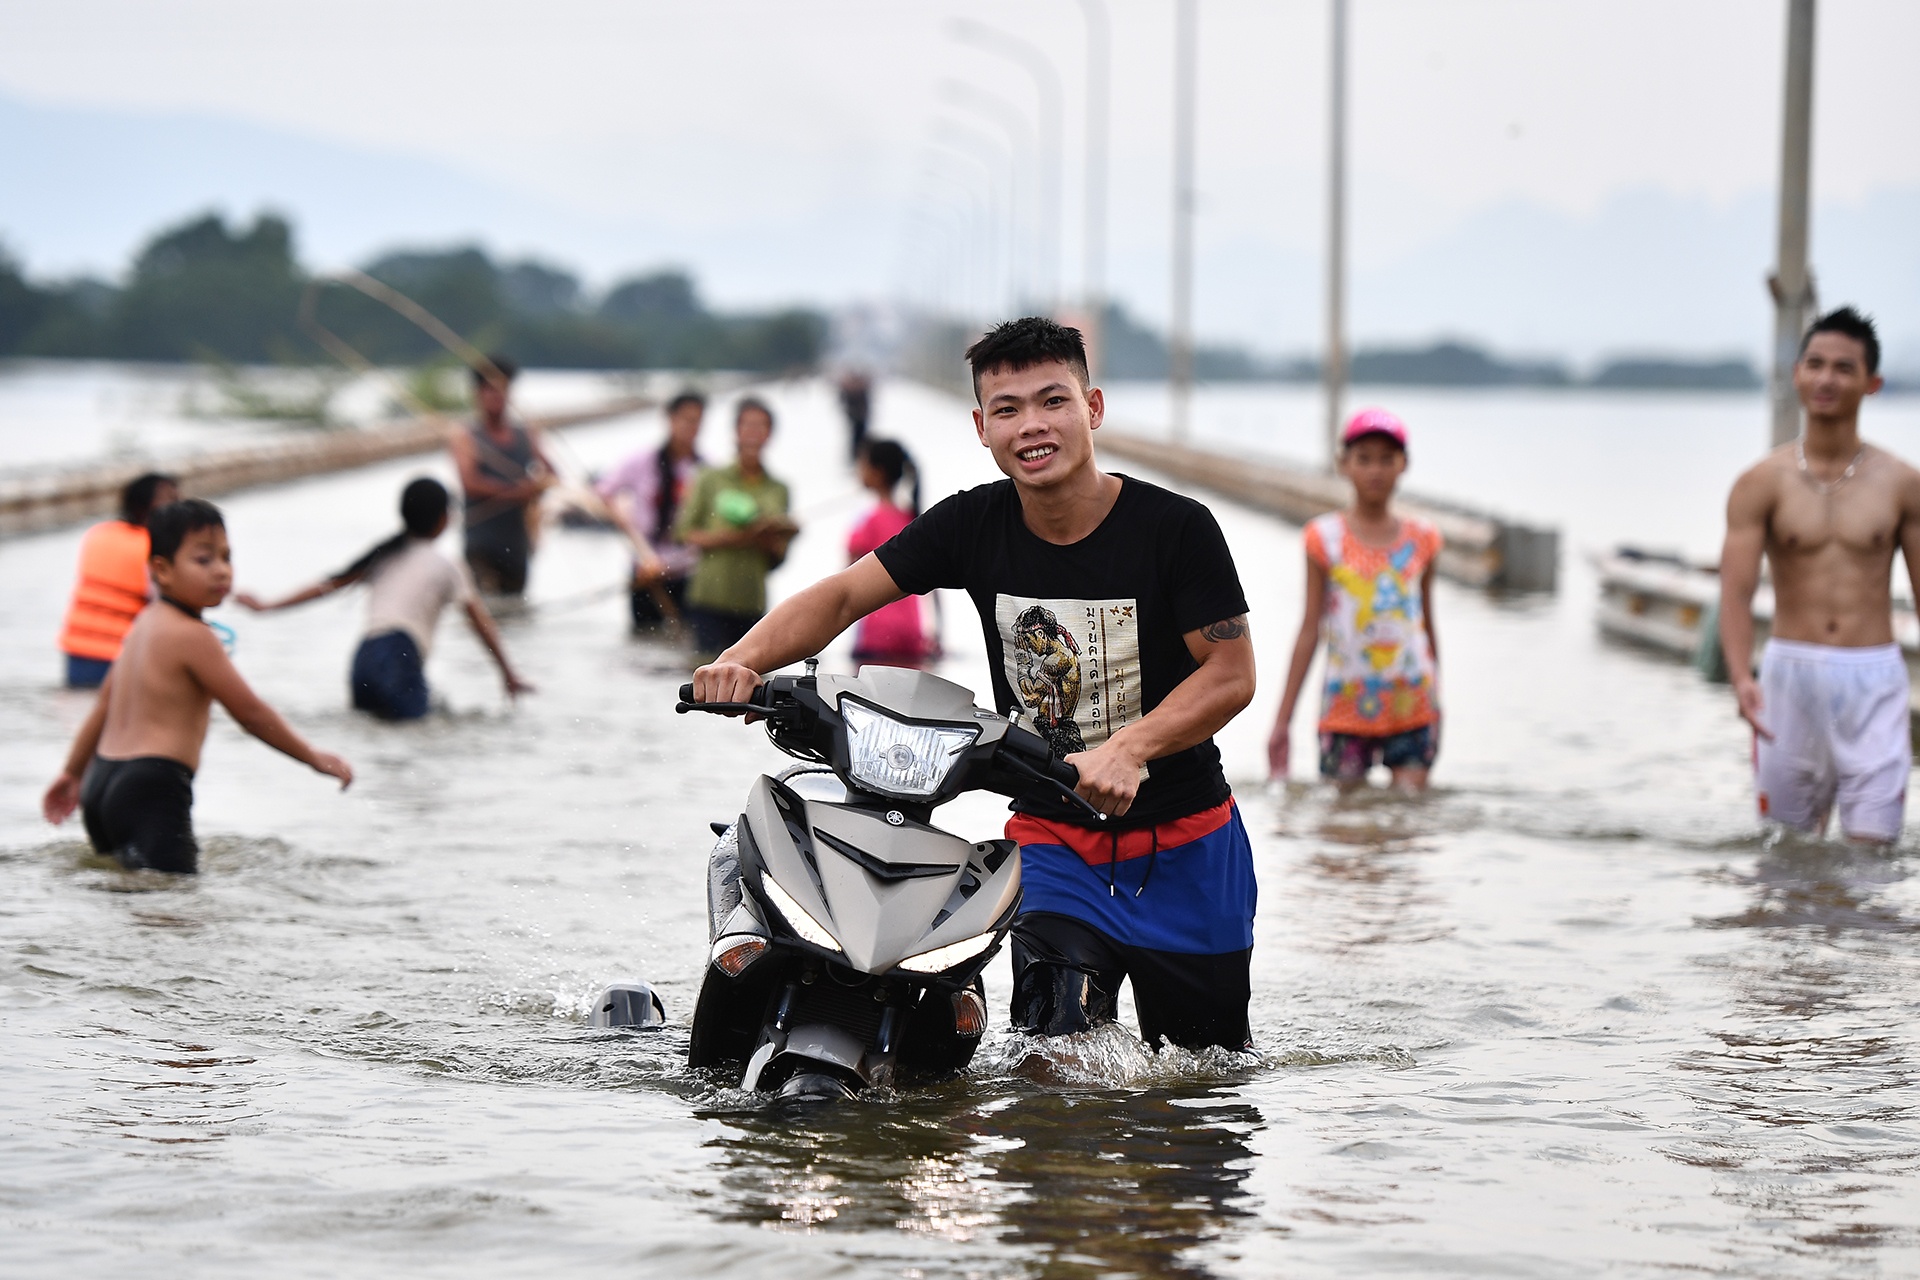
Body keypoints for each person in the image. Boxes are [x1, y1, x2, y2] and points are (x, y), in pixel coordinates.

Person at [691, 317, 1259, 1052]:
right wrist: (742, 661)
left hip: (1188, 846)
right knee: (1054, 1062)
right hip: (1056, 840)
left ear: (1092, 408)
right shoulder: (972, 524)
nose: (1033, 426)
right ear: (981, 427)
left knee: (1202, 1084)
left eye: (1052, 401)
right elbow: (838, 599)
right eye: (1008, 409)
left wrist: (1131, 748)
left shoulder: (1177, 529)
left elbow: (1231, 674)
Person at [40, 499, 353, 874]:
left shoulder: (143, 624)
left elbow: (104, 707)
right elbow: (250, 713)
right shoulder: (194, 636)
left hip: (101, 783)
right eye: (204, 560)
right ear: (162, 569)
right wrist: (312, 757)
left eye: (226, 557)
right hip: (152, 785)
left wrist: (73, 773)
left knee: (132, 904)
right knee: (179, 917)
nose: (221, 571)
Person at [1720, 307, 1914, 845]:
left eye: (1844, 368)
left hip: (1873, 675)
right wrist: (1741, 677)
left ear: (1871, 383)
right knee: (1786, 853)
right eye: (1816, 364)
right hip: (1788, 675)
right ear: (1796, 374)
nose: (1827, 379)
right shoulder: (1760, 483)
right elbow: (1734, 594)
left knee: (1872, 856)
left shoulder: (1902, 483)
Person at [235, 478, 533, 720]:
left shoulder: (384, 555)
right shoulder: (449, 565)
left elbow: (327, 586)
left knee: (375, 735)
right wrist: (508, 673)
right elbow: (479, 621)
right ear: (444, 518)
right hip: (398, 655)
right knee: (415, 739)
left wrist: (267, 607)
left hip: (363, 659)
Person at [1268, 409, 1443, 790]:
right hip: (1345, 706)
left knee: (1407, 822)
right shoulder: (1324, 538)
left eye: (1386, 459)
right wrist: (1283, 721)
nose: (1375, 470)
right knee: (1343, 827)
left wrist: (1438, 698)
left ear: (1404, 465)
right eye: (1364, 459)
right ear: (1344, 464)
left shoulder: (1423, 538)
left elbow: (1427, 625)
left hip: (1412, 702)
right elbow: (1310, 627)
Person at [676, 398, 798, 656]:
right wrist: (733, 537)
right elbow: (684, 533)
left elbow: (777, 559)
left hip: (752, 602)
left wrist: (777, 535)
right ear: (736, 431)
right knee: (702, 677)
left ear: (769, 435)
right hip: (709, 598)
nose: (753, 433)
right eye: (748, 426)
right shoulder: (710, 478)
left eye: (761, 427)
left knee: (748, 683)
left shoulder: (778, 489)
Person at [596, 390, 705, 632]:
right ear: (670, 418)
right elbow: (603, 494)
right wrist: (623, 517)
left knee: (685, 638)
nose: (691, 427)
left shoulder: (706, 469)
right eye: (686, 419)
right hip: (645, 568)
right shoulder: (641, 461)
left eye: (697, 421)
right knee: (644, 640)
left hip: (687, 570)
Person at [58, 471, 179, 687]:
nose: (178, 507)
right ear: (144, 504)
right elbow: (165, 603)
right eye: (171, 499)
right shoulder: (152, 547)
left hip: (77, 649)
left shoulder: (98, 534)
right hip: (120, 654)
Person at [449, 355, 555, 596]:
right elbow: (470, 483)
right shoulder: (465, 435)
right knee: (487, 606)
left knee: (515, 608)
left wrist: (538, 486)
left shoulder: (526, 434)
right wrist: (518, 492)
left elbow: (551, 472)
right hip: (481, 546)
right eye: (489, 390)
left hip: (517, 546)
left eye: (502, 389)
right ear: (478, 393)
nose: (496, 396)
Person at [847, 438, 935, 663]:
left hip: (878, 632)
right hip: (911, 631)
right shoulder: (912, 520)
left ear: (877, 473)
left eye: (863, 464)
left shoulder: (870, 522)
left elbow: (847, 580)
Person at [838, 370, 873, 461]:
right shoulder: (851, 390)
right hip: (854, 417)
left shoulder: (860, 390)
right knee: (855, 437)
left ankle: (859, 456)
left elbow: (866, 403)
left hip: (861, 417)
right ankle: (855, 456)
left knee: (860, 437)